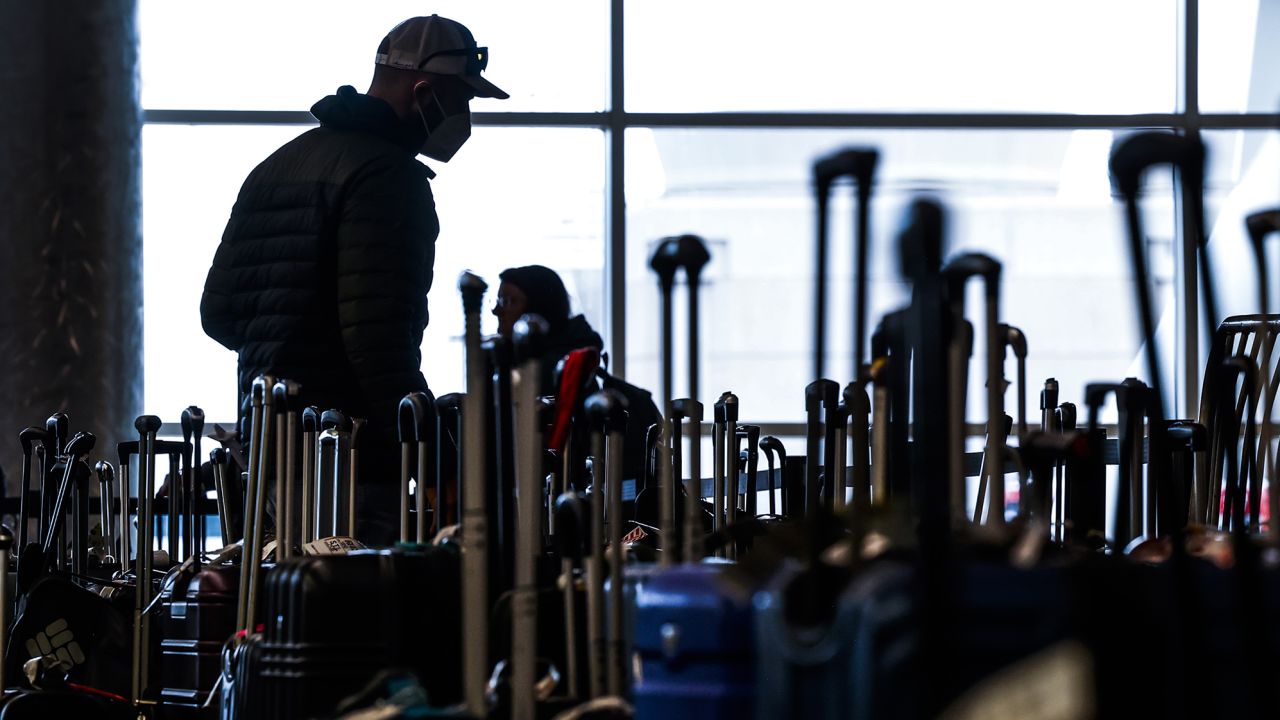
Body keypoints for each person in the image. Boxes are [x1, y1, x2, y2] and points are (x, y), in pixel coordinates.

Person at [200, 15, 507, 545]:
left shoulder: (276, 166)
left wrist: (290, 347)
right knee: (356, 617)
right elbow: (377, 341)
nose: (464, 115)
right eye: (462, 99)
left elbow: (219, 315)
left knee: (283, 616)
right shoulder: (390, 178)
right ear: (423, 92)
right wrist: (439, 463)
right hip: (347, 464)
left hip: (267, 455)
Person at [493, 265, 662, 481]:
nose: (497, 311)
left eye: (508, 301)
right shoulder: (582, 362)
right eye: (498, 301)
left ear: (538, 308)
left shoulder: (546, 372)